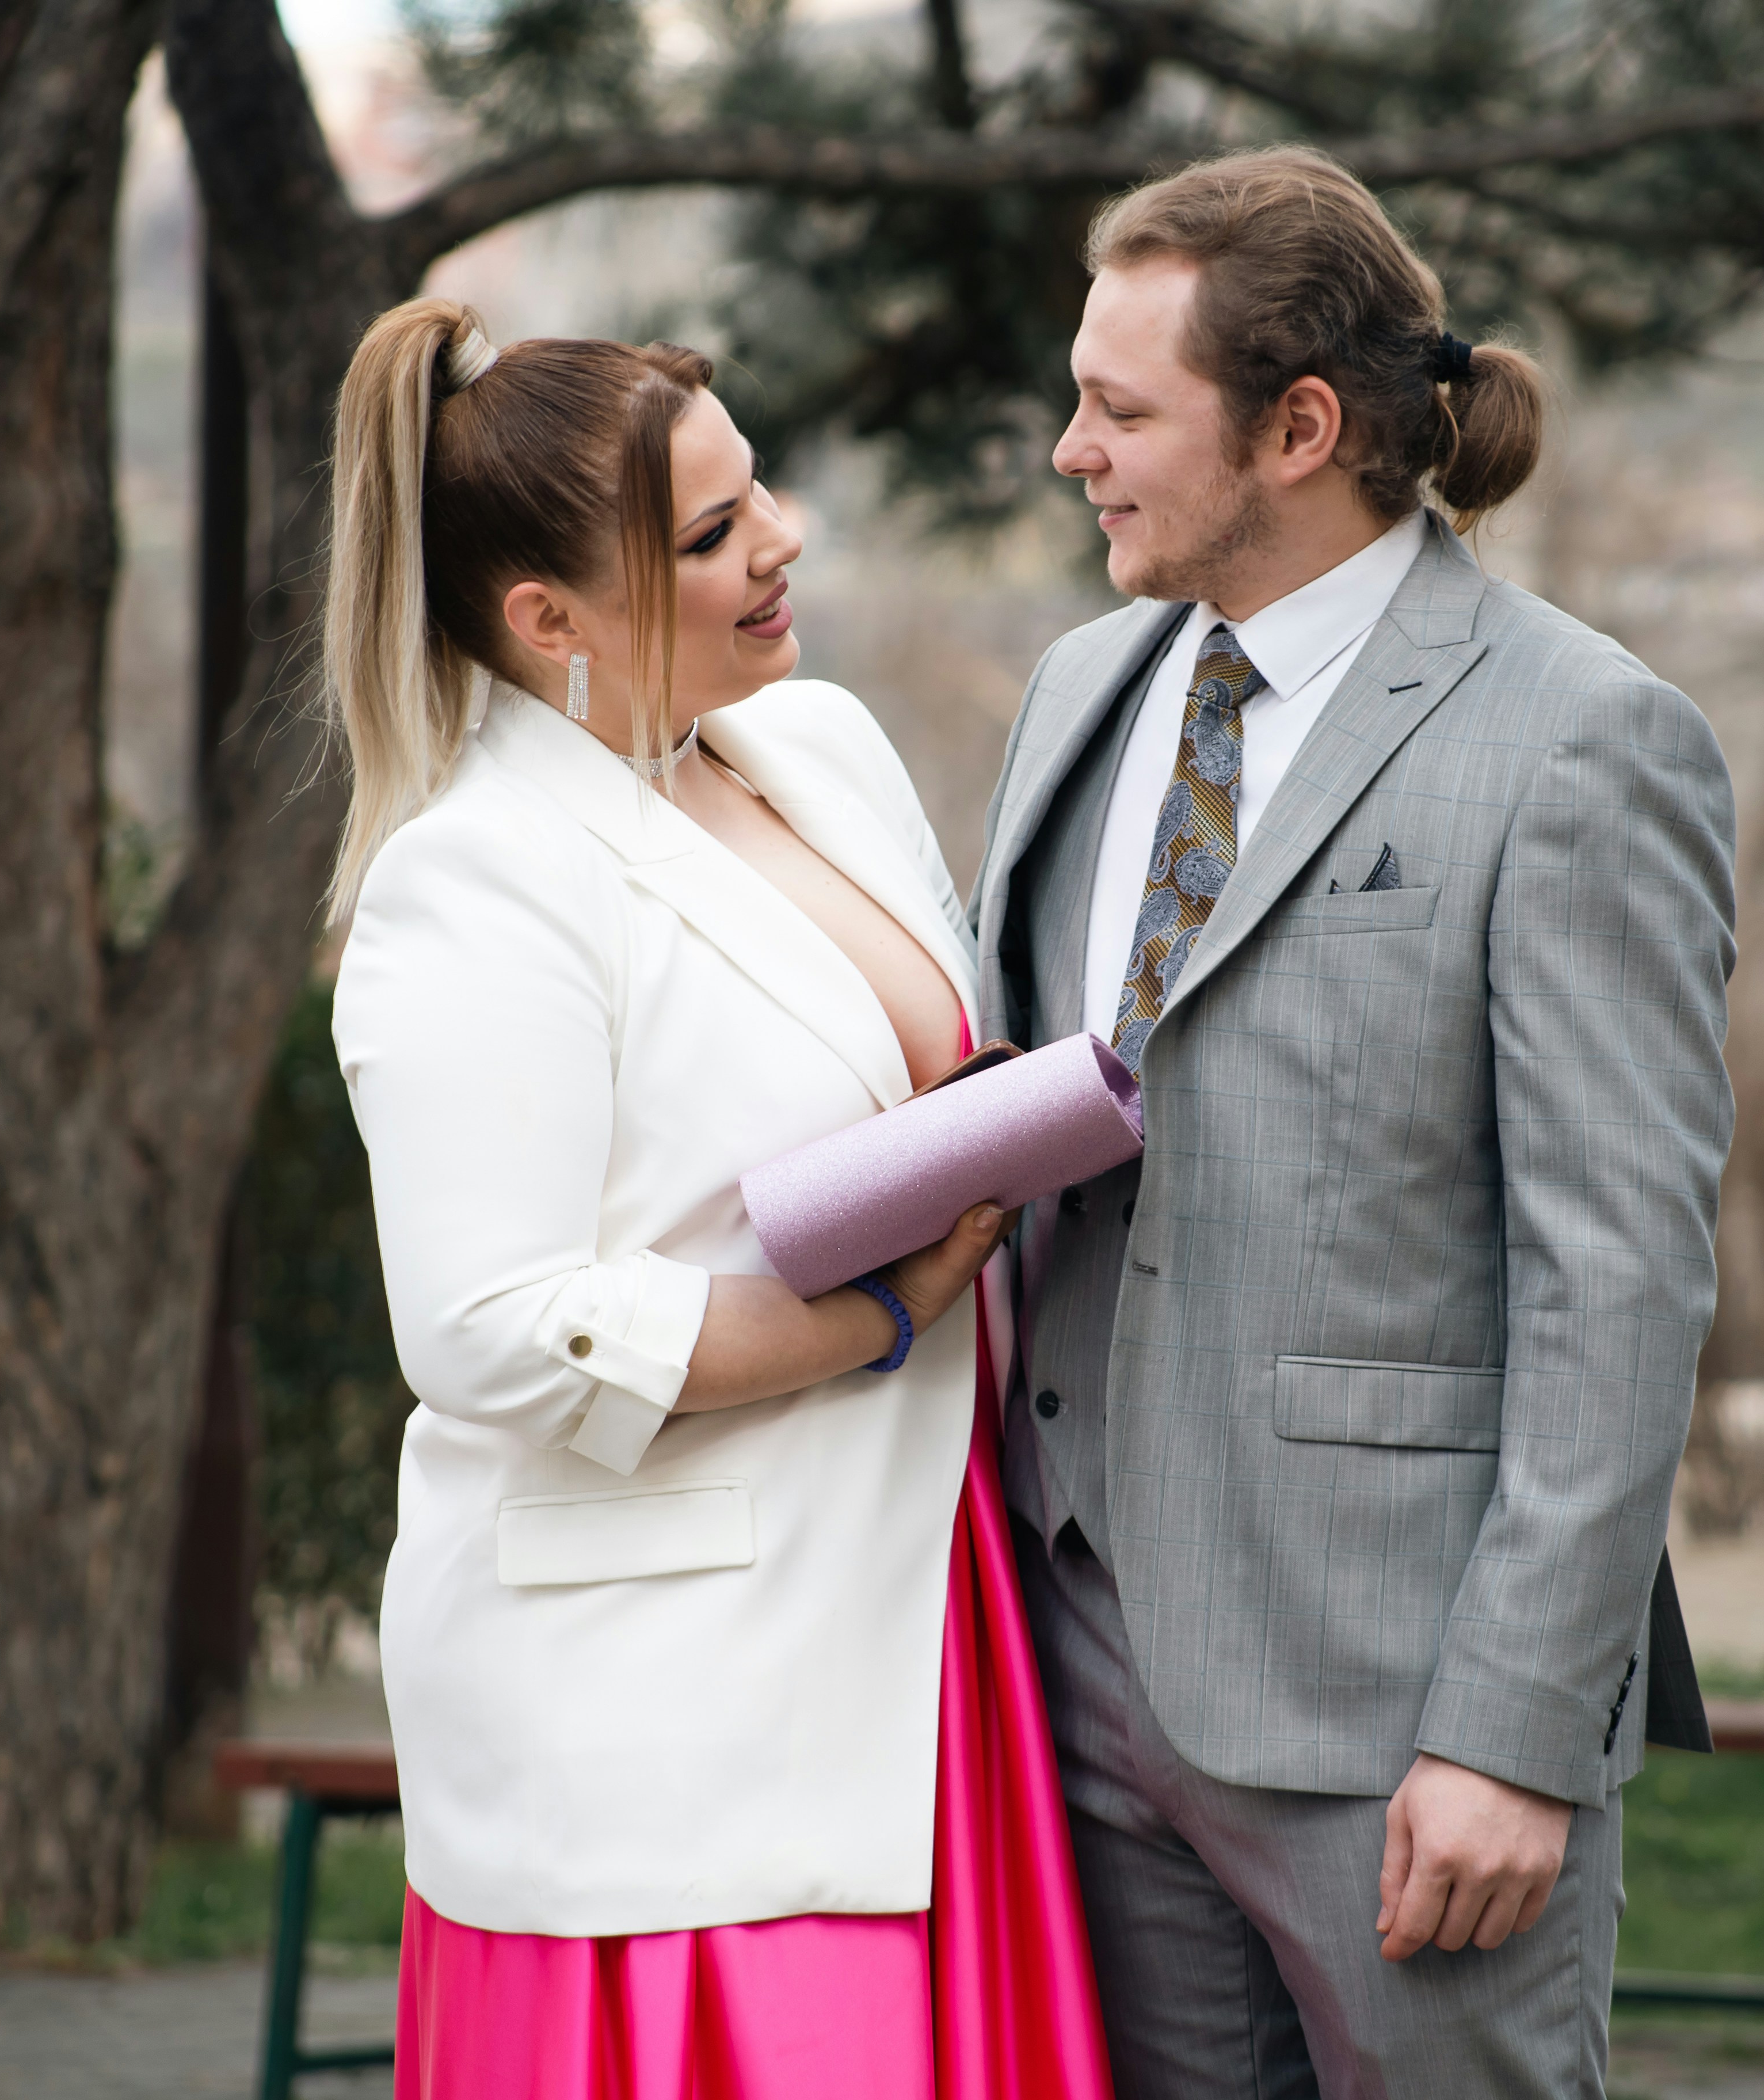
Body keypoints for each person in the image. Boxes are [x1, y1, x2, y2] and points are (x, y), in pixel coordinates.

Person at [970, 147, 1734, 2099]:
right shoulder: (1080, 688)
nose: (1073, 451)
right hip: (1074, 1667)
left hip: (1404, 1715)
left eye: (1123, 411)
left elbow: (1619, 1276)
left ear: (1301, 427)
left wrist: (1514, 1733)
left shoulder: (1582, 736)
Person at [325, 300, 1113, 2100]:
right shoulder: (477, 884)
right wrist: (880, 1312)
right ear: (546, 620)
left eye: (759, 492)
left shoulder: (811, 745)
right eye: (707, 536)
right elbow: (494, 1332)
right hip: (672, 1703)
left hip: (930, 1608)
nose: (783, 544)